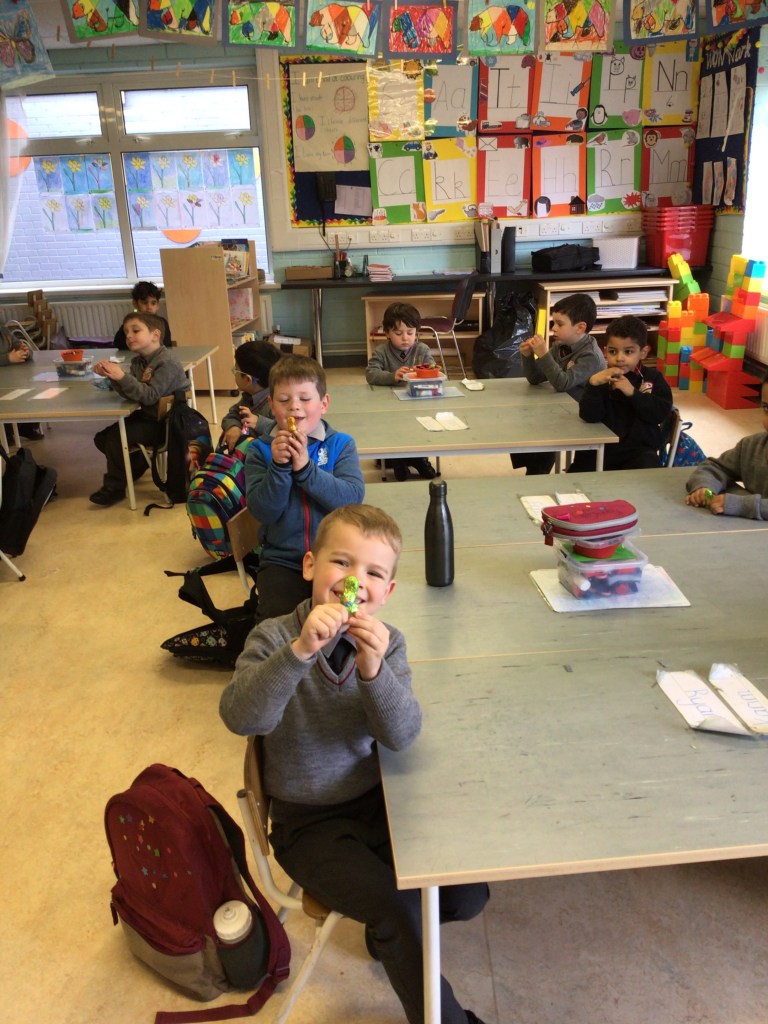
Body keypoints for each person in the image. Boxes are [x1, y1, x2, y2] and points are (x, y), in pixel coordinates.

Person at [220, 504, 489, 1024]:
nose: (354, 582)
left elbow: (401, 735)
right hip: (308, 826)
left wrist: (373, 671)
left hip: (379, 806)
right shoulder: (274, 637)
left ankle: (385, 933)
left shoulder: (389, 644)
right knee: (397, 908)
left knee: (466, 892)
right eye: (341, 563)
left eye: (373, 573)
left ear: (388, 591)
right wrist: (300, 651)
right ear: (309, 566)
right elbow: (239, 716)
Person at [244, 354, 365, 620]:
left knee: (351, 620)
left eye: (305, 398)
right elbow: (263, 511)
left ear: (324, 404)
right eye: (283, 400)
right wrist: (279, 467)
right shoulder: (259, 450)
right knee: (277, 628)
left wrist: (305, 469)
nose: (294, 407)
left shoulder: (341, 444)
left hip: (342, 560)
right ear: (271, 406)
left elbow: (352, 500)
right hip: (283, 561)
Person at [90, 311, 188, 506]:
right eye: (126, 332)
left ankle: (115, 487)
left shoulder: (166, 362)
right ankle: (133, 467)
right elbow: (133, 393)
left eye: (135, 331)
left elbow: (149, 396)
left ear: (155, 335)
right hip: (149, 417)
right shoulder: (139, 362)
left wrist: (122, 377)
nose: (129, 336)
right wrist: (113, 376)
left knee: (116, 438)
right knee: (102, 439)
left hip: (167, 423)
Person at [513, 292, 605, 475]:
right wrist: (528, 356)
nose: (553, 328)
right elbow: (536, 378)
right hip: (563, 408)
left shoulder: (590, 356)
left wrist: (544, 354)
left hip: (585, 417)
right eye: (554, 322)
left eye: (560, 324)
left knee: (545, 435)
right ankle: (533, 468)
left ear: (580, 328)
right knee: (526, 423)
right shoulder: (560, 345)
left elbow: (563, 383)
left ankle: (537, 472)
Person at [569, 315, 672, 472]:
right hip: (599, 449)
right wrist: (593, 384)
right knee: (577, 475)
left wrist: (633, 393)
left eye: (628, 351)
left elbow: (659, 414)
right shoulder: (601, 378)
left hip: (637, 451)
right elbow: (589, 416)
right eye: (613, 351)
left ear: (643, 352)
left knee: (650, 470)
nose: (619, 358)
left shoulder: (653, 378)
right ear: (605, 352)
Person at [365, 302, 437, 482]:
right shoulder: (381, 352)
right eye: (398, 333)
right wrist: (392, 376)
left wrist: (421, 373)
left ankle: (419, 458)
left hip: (418, 402)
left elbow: (432, 370)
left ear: (416, 332)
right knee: (395, 428)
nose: (405, 338)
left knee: (421, 428)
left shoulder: (422, 350)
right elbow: (371, 374)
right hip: (390, 406)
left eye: (410, 333)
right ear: (387, 333)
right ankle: (398, 459)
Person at [684, 369, 768, 520]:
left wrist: (741, 505)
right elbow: (715, 468)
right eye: (766, 408)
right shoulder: (751, 446)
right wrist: (704, 487)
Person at [220, 340, 282, 453]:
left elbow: (285, 431)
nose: (234, 372)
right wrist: (233, 426)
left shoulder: (278, 403)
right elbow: (232, 414)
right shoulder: (249, 397)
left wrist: (258, 422)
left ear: (248, 379)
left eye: (235, 370)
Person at [113, 282, 172, 350]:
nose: (149, 307)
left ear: (158, 305)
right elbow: (118, 343)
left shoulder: (162, 322)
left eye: (153, 303)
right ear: (135, 304)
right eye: (145, 303)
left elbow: (167, 344)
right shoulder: (131, 322)